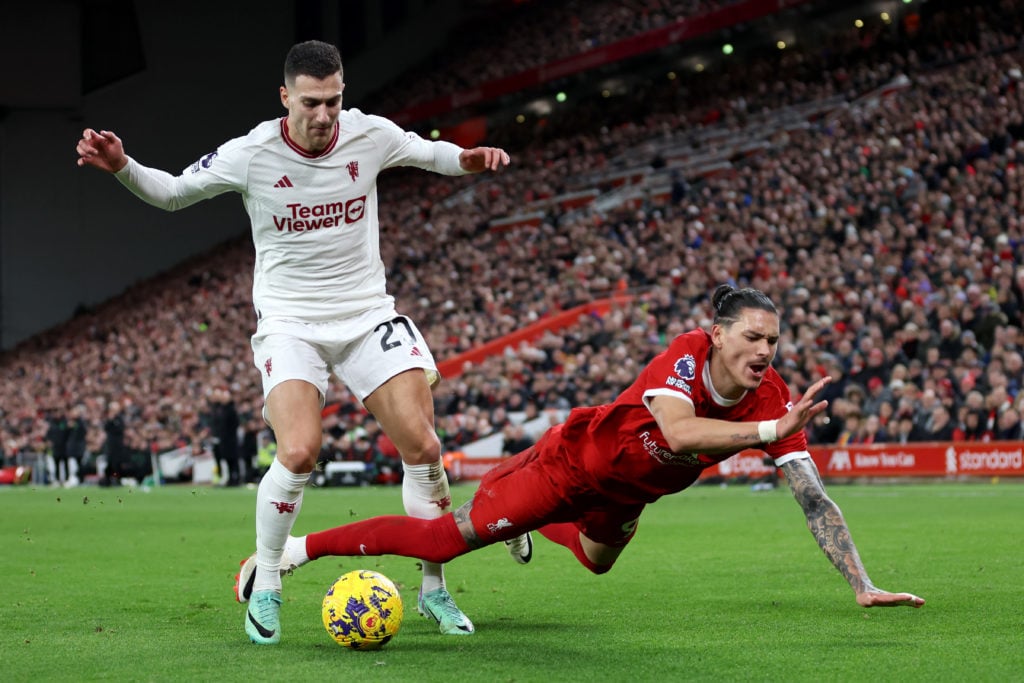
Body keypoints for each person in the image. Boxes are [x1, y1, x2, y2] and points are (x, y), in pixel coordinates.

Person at [75, 39, 512, 644]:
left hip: (365, 316)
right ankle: (270, 582)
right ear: (286, 97)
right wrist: (124, 166)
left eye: (333, 101)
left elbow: (431, 153)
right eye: (311, 102)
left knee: (423, 443)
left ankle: (434, 592)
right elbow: (173, 193)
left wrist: (470, 157)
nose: (324, 115)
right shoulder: (252, 152)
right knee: (301, 450)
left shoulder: (369, 134)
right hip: (290, 324)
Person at [265, 286, 925, 616]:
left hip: (627, 494)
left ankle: (517, 529)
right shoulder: (685, 358)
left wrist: (862, 584)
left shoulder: (775, 399)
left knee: (597, 560)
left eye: (773, 343)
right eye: (752, 337)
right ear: (718, 334)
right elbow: (678, 434)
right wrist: (765, 433)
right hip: (568, 466)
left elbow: (814, 496)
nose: (764, 352)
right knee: (440, 541)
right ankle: (296, 550)